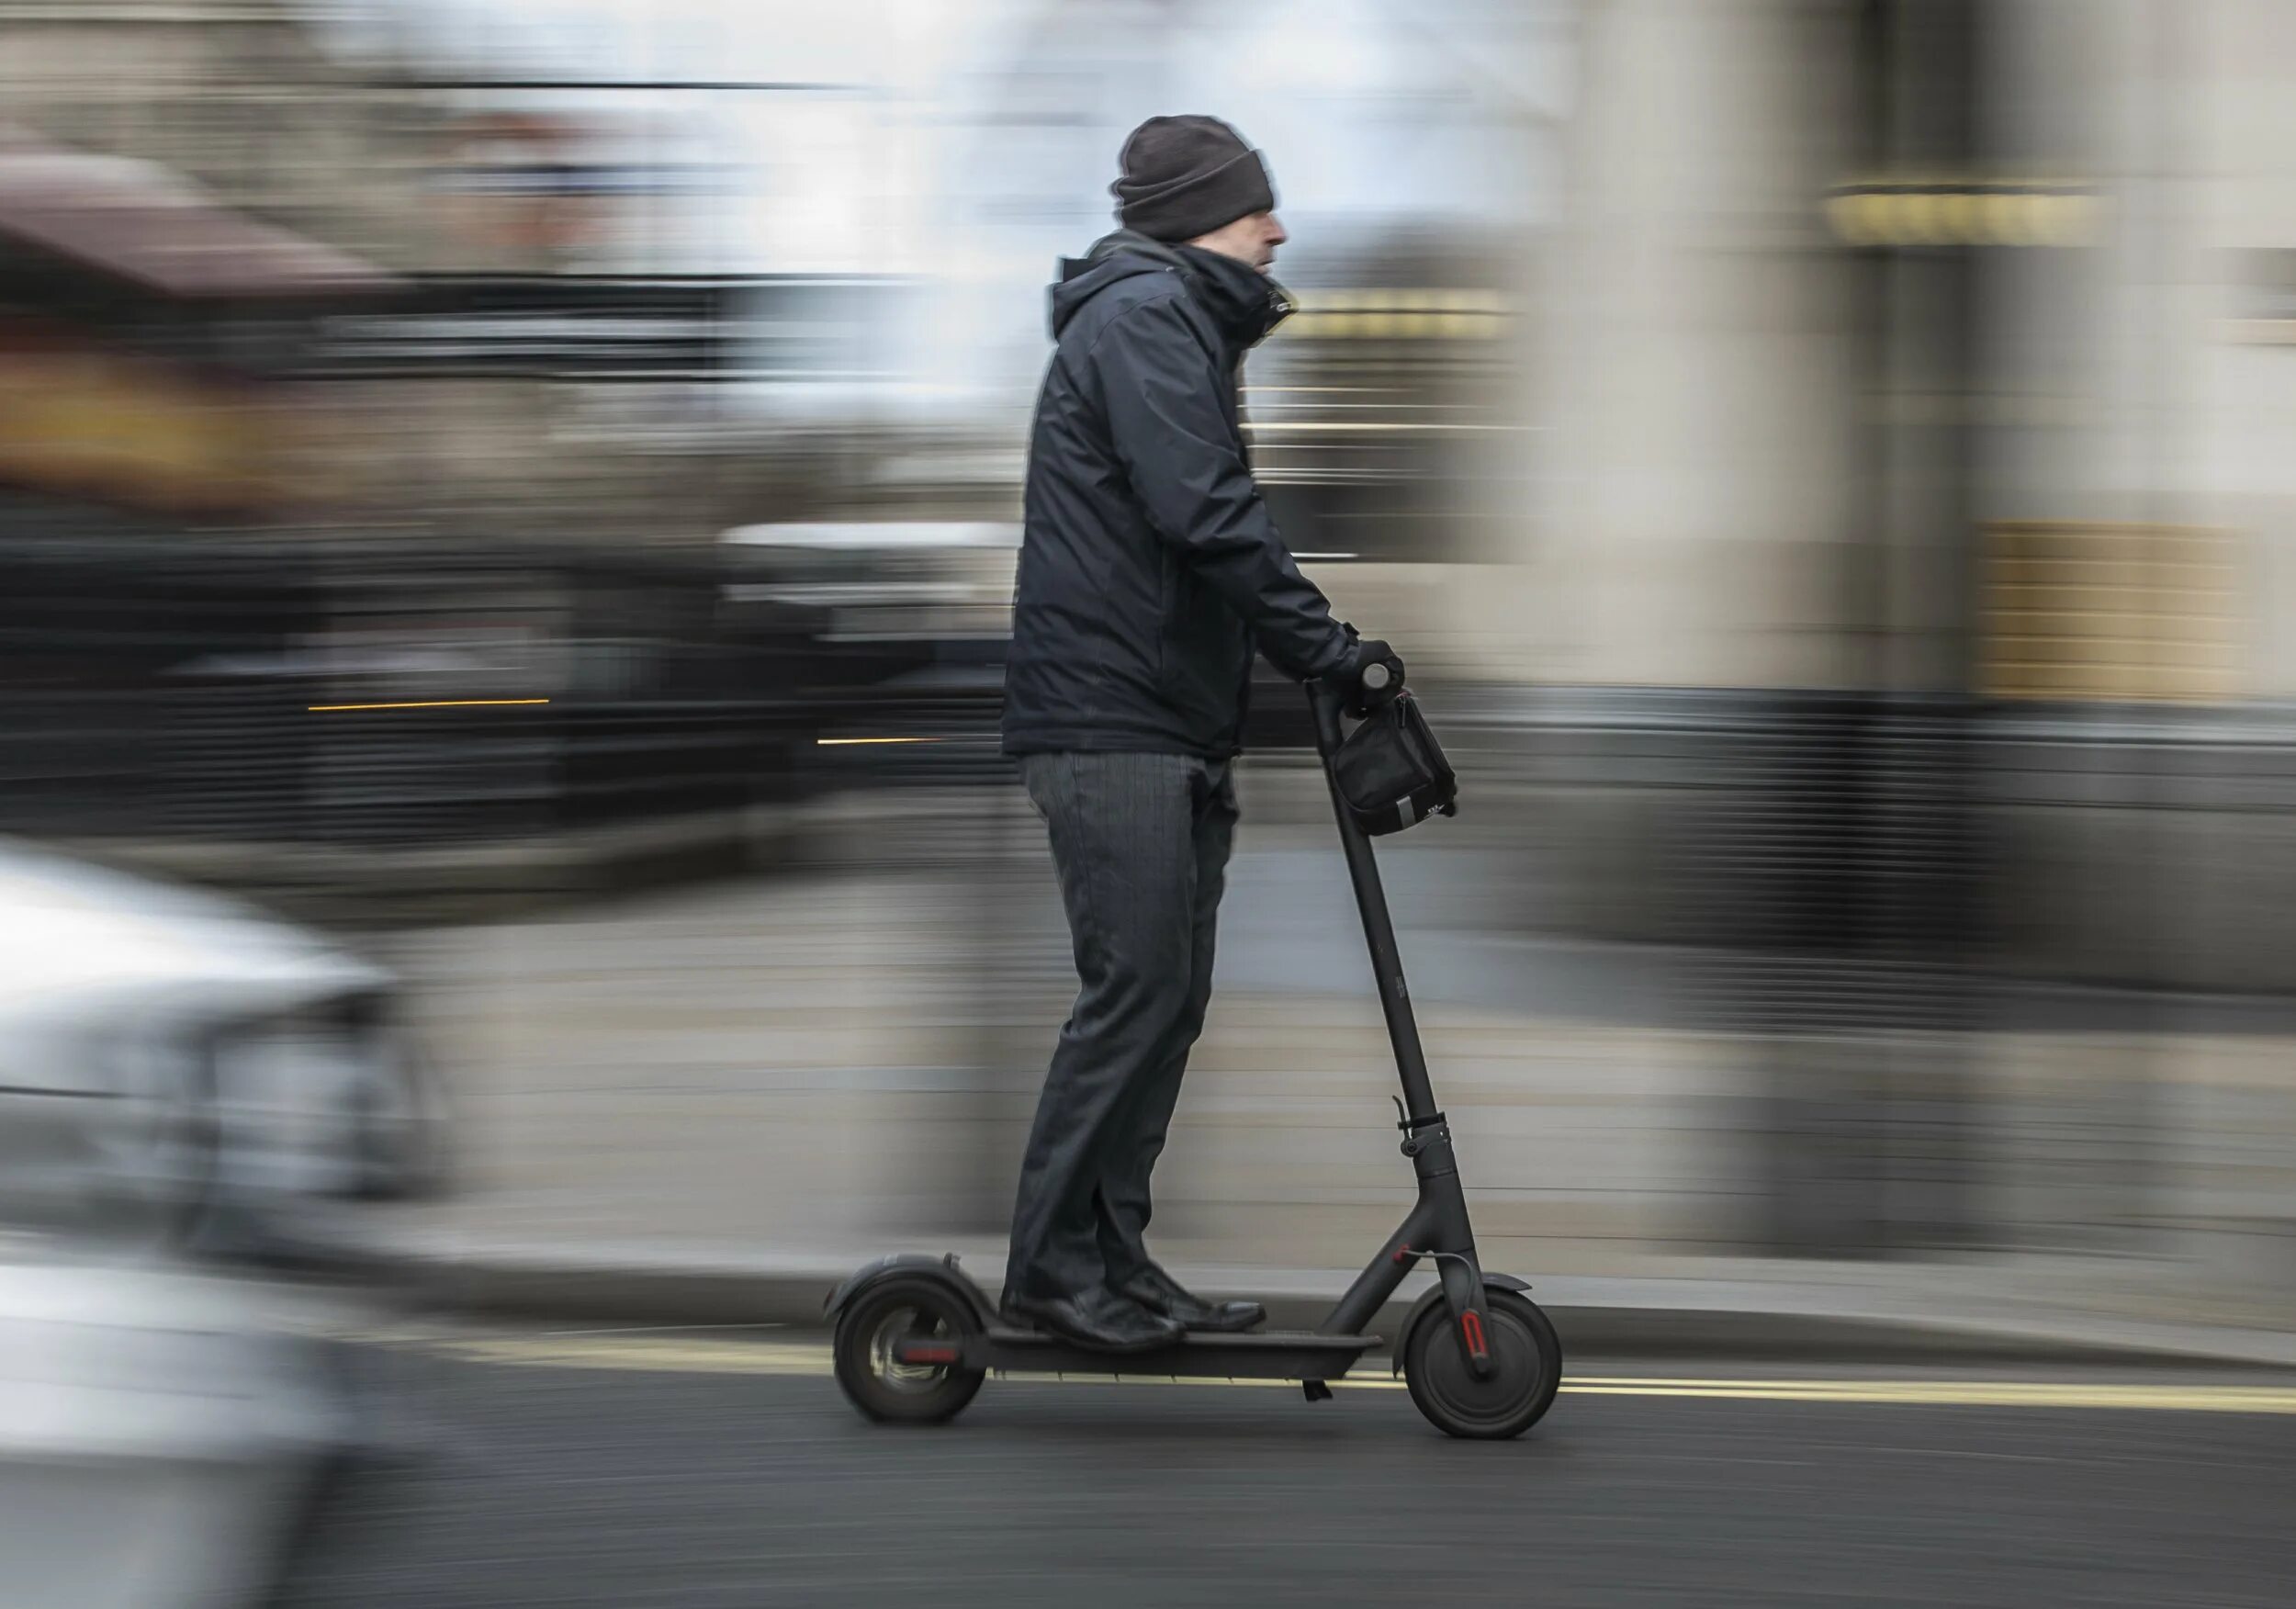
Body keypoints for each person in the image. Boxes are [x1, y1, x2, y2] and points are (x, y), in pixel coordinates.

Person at [998, 114, 1404, 1352]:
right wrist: (1328, 649)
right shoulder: (1143, 318)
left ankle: (1113, 1264)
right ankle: (1053, 1275)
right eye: (1253, 209)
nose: (1277, 229)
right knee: (1135, 995)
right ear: (1191, 220)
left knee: (1164, 1004)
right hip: (1111, 720)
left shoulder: (1172, 321)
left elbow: (1200, 526)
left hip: (1166, 721)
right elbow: (1206, 514)